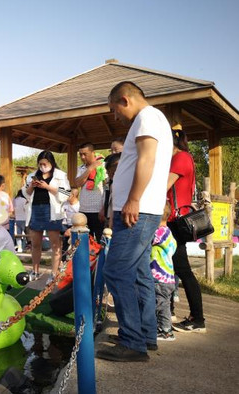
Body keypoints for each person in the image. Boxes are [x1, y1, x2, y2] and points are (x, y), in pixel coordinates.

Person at [96, 81, 173, 362]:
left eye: (114, 109)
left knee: (116, 271)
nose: (115, 116)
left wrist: (133, 199)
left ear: (125, 100)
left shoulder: (147, 118)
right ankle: (144, 334)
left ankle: (133, 342)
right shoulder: (150, 119)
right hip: (141, 209)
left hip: (138, 210)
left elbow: (146, 160)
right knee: (139, 273)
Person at [166, 126, 206, 333]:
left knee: (182, 270)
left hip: (175, 220)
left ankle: (197, 318)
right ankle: (171, 311)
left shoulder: (181, 158)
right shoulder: (179, 158)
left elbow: (164, 185)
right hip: (173, 219)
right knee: (172, 267)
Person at [22, 151, 70, 281]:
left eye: (45, 163)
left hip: (52, 211)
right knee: (36, 243)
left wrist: (47, 187)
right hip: (35, 210)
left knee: (55, 244)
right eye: (40, 164)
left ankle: (53, 273)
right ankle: (35, 271)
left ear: (51, 163)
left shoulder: (60, 175)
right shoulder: (32, 175)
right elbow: (26, 193)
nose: (42, 166)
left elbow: (66, 194)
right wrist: (32, 186)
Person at [150, 202, 177, 341]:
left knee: (159, 305)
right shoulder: (169, 232)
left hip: (159, 277)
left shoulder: (159, 232)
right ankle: (163, 328)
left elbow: (149, 241)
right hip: (168, 277)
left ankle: (166, 331)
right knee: (163, 303)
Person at [72, 142, 106, 241]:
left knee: (100, 238)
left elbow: (107, 187)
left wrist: (104, 208)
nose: (82, 157)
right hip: (84, 209)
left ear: (92, 152)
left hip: (98, 209)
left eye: (85, 154)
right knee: (86, 239)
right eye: (80, 154)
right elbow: (78, 183)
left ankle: (101, 257)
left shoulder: (103, 165)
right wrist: (90, 168)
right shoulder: (81, 168)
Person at [99, 153, 122, 228]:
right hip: (108, 212)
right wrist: (103, 208)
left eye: (108, 170)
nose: (106, 172)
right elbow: (104, 195)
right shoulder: (106, 181)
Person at [60, 188, 80, 257]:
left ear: (73, 195)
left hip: (74, 225)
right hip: (64, 225)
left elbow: (80, 221)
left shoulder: (79, 206)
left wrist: (71, 229)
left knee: (69, 237)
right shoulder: (64, 204)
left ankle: (65, 257)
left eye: (68, 194)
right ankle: (63, 258)